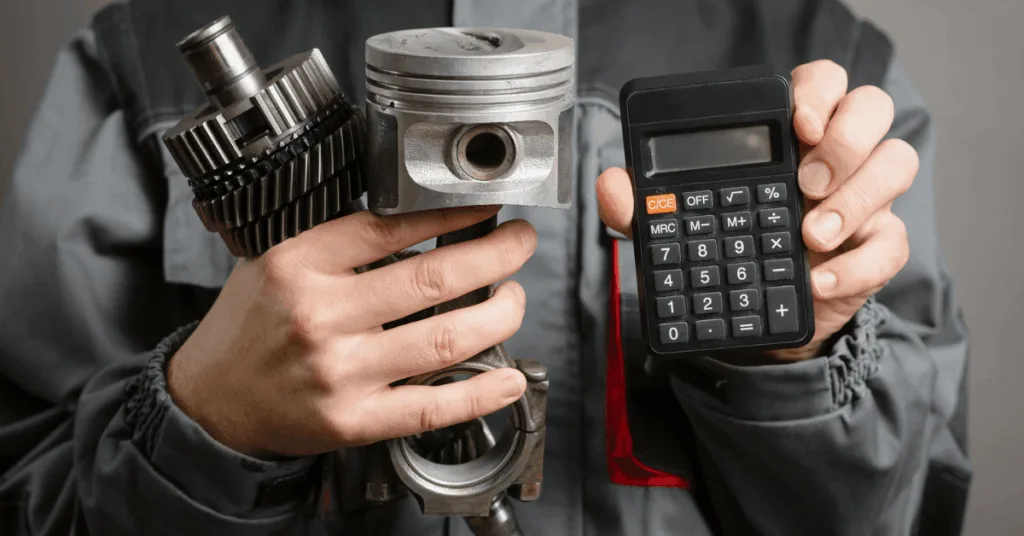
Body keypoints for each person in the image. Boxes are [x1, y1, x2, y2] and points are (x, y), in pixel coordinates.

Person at [0, 0, 970, 535]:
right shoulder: (137, 60)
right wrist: (208, 420)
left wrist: (794, 359)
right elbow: (26, 495)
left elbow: (900, 512)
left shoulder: (821, 61)